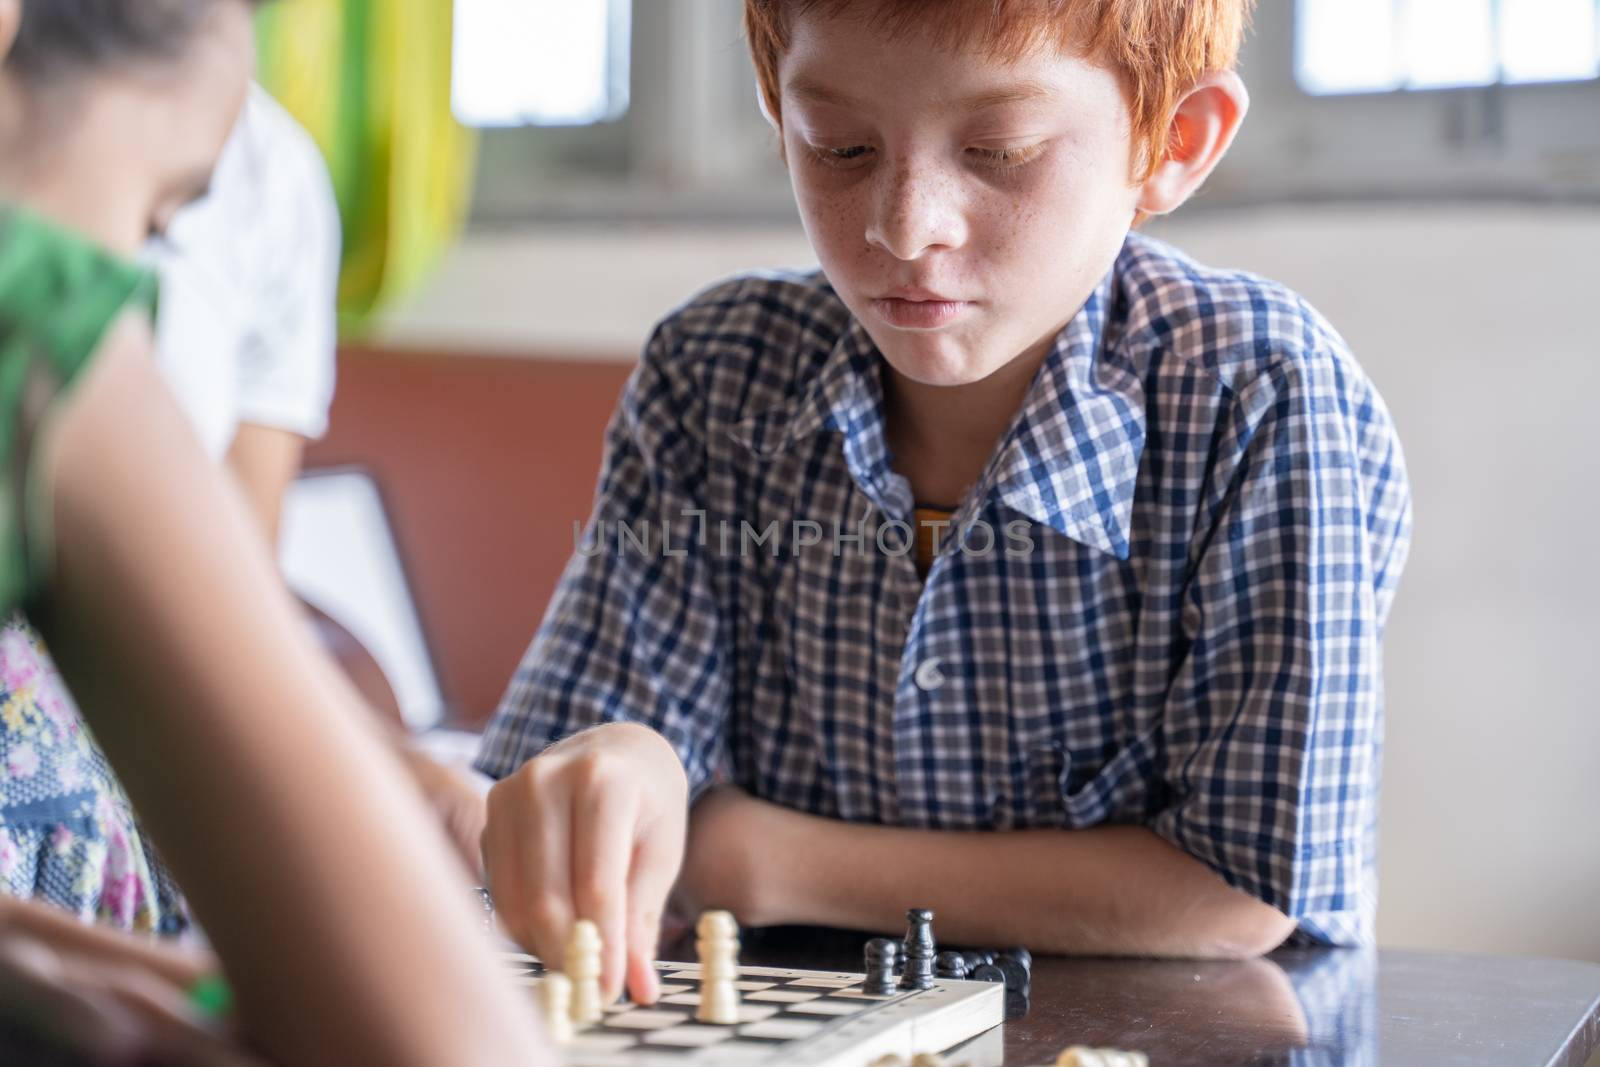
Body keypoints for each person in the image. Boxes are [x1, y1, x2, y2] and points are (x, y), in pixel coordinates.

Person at [476, 0, 1413, 1007]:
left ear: (1171, 142)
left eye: (999, 149)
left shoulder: (1256, 391)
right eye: (838, 147)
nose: (903, 224)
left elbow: (1235, 892)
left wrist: (754, 856)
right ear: (775, 111)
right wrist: (624, 759)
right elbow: (577, 769)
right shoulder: (714, 376)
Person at [0, 1, 550, 1063]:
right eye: (162, 217)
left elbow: (227, 610)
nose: (142, 273)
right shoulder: (39, 322)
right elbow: (452, 1042)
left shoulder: (266, 186)